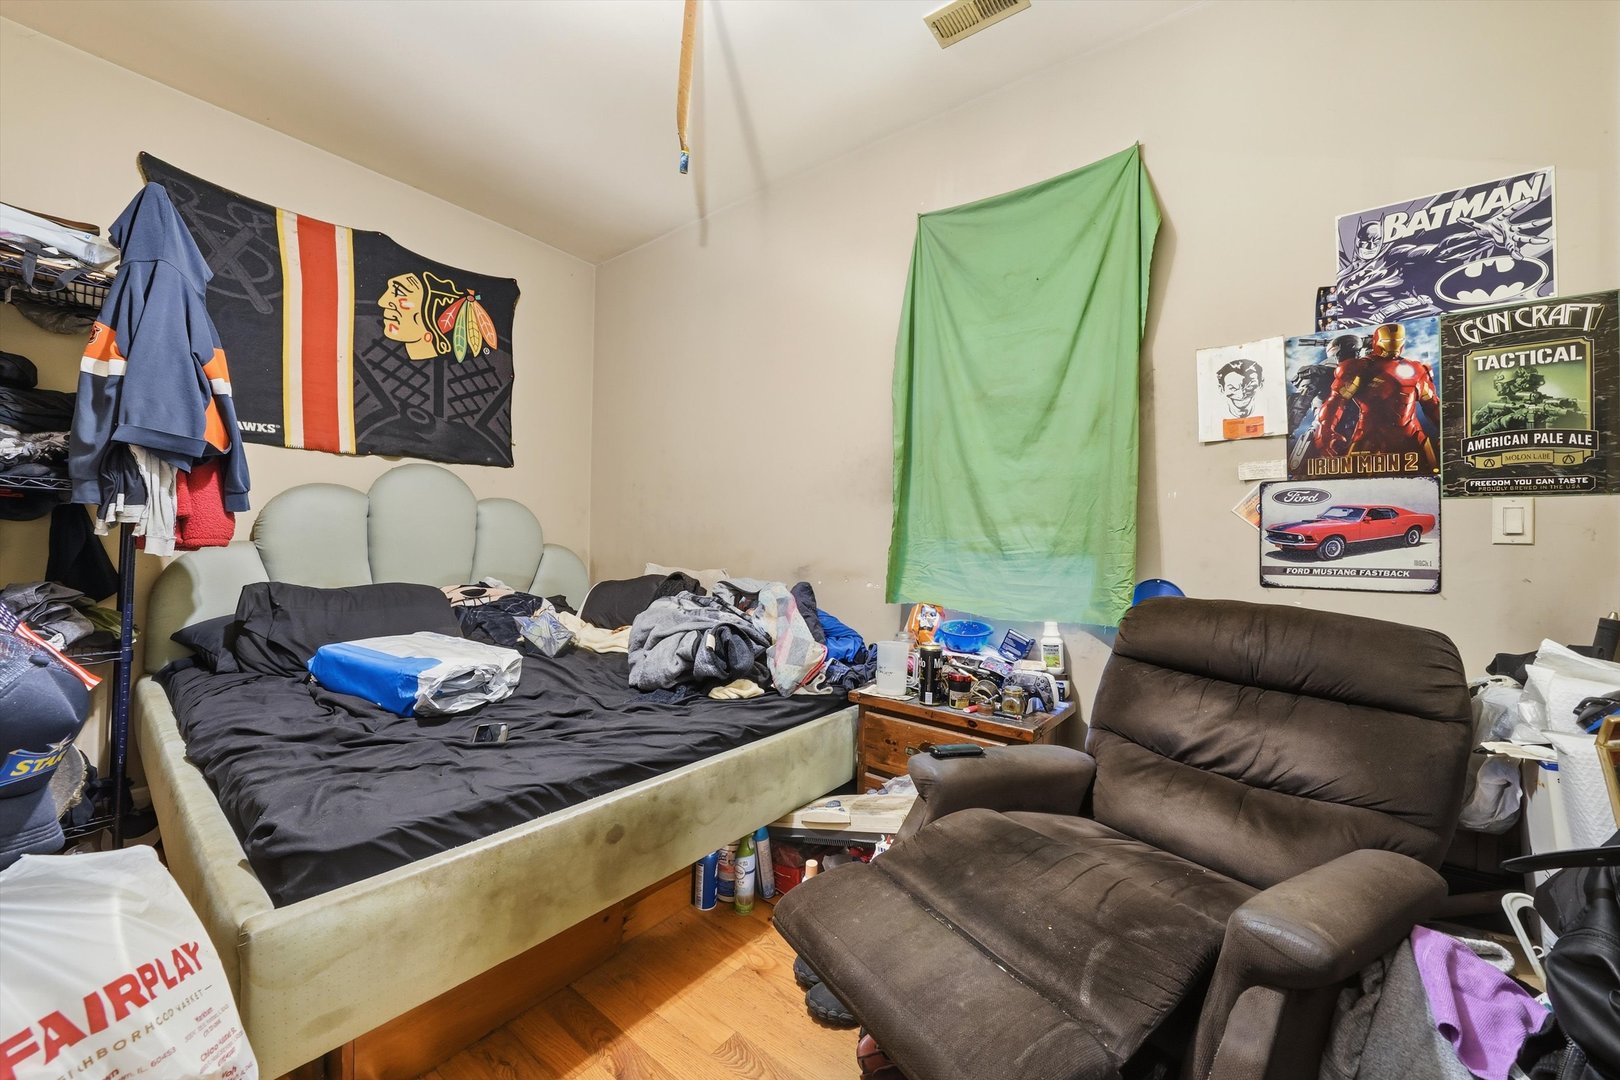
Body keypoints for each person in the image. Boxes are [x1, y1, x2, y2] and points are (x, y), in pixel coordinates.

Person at [1307, 323, 1439, 471]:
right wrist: (1324, 432)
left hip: (1413, 438)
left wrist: (1446, 432)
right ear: (1378, 341)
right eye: (1388, 342)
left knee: (1432, 480)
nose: (1393, 347)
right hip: (1370, 439)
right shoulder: (1360, 367)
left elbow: (1433, 405)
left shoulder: (1417, 369)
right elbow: (1336, 402)